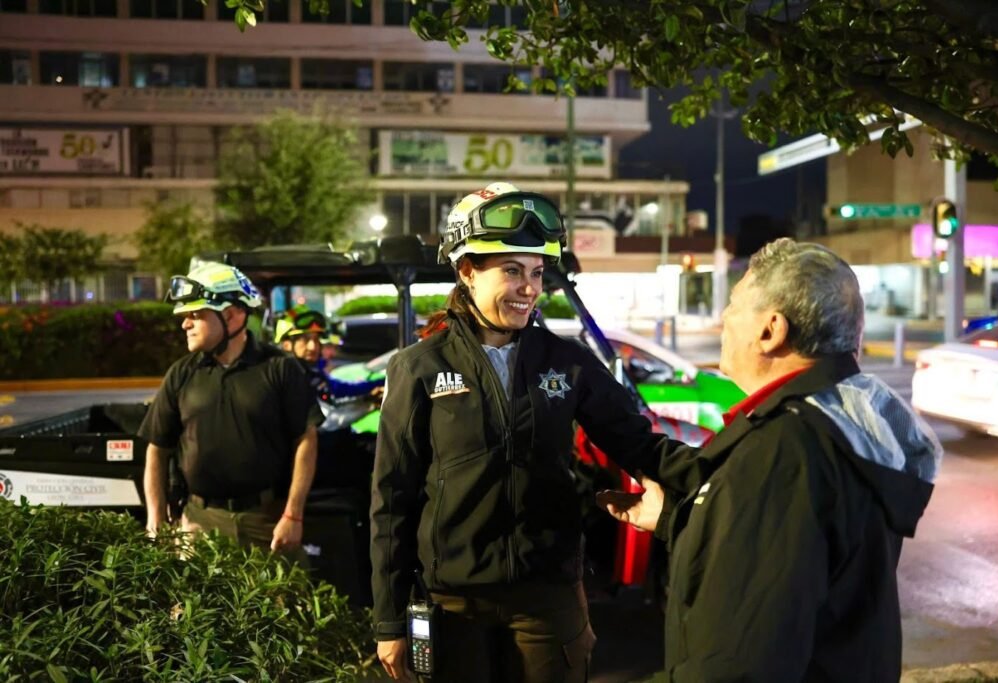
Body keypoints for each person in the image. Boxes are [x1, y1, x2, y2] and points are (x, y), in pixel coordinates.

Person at [370, 182, 696, 683]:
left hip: (549, 598)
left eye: (538, 273)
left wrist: (720, 477)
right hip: (454, 604)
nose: (529, 288)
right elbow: (391, 499)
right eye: (512, 271)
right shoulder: (418, 368)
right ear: (466, 272)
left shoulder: (566, 361)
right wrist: (390, 619)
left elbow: (639, 443)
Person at [599, 238, 943, 682]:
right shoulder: (841, 421)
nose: (723, 317)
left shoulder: (783, 453)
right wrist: (681, 521)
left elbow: (735, 667)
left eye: (736, 304)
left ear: (770, 330)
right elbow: (791, 564)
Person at [139, 262, 324, 559]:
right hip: (198, 522)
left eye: (195, 315)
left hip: (267, 521)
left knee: (281, 605)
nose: (185, 324)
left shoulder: (279, 369)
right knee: (193, 606)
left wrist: (292, 516)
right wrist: (156, 517)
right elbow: (157, 448)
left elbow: (306, 440)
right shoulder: (181, 373)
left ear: (231, 315)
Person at [274, 305, 383, 404]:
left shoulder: (312, 373)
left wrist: (383, 383)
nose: (313, 347)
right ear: (286, 345)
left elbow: (337, 391)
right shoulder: (280, 380)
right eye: (305, 339)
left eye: (316, 339)